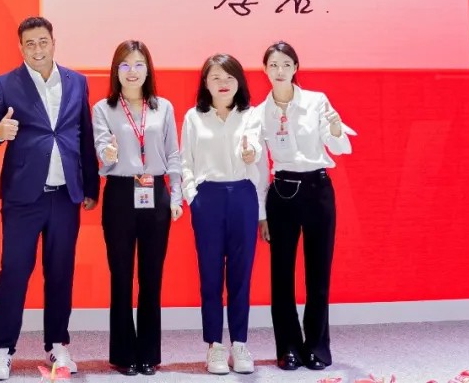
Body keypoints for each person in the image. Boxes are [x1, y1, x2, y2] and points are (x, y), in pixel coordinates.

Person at [0, 16, 99, 381]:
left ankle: (58, 344)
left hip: (65, 196)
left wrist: (90, 187)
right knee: (14, 272)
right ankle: (2, 350)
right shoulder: (6, 83)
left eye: (42, 41)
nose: (37, 49)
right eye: (29, 44)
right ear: (21, 48)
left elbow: (84, 135)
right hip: (23, 198)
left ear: (53, 42)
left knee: (60, 272)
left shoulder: (76, 82)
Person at [252, 41, 355, 371]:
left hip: (317, 189)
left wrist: (336, 128)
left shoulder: (316, 101)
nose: (280, 70)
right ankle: (288, 348)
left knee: (318, 274)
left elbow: (340, 147)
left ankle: (317, 347)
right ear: (265, 70)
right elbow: (258, 168)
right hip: (282, 192)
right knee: (281, 276)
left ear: (296, 68)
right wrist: (262, 214)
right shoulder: (258, 113)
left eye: (286, 64)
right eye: (273, 65)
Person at [91, 40, 182, 376]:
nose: (132, 71)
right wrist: (108, 154)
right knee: (121, 277)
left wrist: (176, 196)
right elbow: (102, 150)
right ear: (116, 71)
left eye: (139, 64)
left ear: (148, 70)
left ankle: (148, 354)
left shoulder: (163, 108)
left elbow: (174, 154)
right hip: (119, 193)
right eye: (125, 64)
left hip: (155, 192)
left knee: (151, 277)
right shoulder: (103, 108)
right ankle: (123, 354)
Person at [178, 53, 265, 375]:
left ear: (239, 81)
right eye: (216, 77)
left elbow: (258, 156)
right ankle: (214, 345)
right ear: (206, 83)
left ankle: (239, 343)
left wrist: (250, 154)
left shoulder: (251, 115)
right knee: (211, 275)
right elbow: (185, 161)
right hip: (208, 198)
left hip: (243, 195)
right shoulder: (194, 117)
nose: (223, 83)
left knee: (241, 274)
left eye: (229, 77)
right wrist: (193, 197)